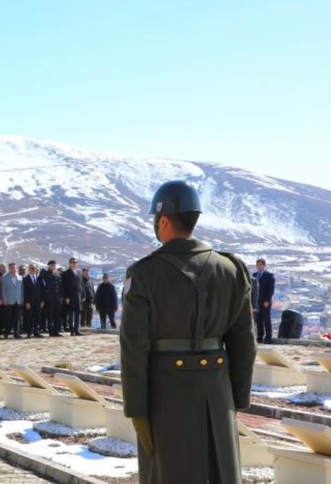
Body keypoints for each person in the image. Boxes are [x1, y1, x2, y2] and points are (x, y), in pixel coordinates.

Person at [120, 180, 256, 484]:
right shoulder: (231, 269)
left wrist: (137, 410)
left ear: (163, 221)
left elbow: (133, 349)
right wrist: (233, 401)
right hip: (218, 392)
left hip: (165, 395)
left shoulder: (143, 273)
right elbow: (245, 343)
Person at [253, 259, 275, 344]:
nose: (258, 266)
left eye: (260, 265)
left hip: (265, 302)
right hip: (256, 302)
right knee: (258, 320)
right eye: (257, 265)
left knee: (266, 320)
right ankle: (260, 337)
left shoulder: (269, 276)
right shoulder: (254, 275)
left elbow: (271, 290)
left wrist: (267, 300)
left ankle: (268, 337)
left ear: (264, 265)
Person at [61, 257, 83, 336]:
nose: (75, 264)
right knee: (71, 314)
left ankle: (77, 330)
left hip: (78, 296)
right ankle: (72, 331)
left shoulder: (79, 272)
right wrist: (66, 297)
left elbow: (81, 284)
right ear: (70, 263)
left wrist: (83, 295)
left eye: (76, 262)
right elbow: (63, 286)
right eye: (73, 262)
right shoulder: (65, 273)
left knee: (77, 314)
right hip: (70, 297)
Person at [0, 262, 23, 339]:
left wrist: (22, 299)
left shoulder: (20, 277)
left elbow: (21, 290)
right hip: (8, 301)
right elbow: (3, 290)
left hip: (18, 301)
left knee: (17, 318)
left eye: (15, 268)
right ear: (9, 268)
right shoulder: (4, 277)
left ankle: (16, 333)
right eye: (12, 268)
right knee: (7, 318)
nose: (14, 269)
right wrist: (4, 299)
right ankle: (6, 333)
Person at [39, 261, 62, 336]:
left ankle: (56, 331)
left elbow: (59, 286)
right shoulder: (45, 274)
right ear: (49, 266)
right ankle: (51, 331)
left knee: (57, 315)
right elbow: (41, 286)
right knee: (50, 316)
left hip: (57, 298)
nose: (53, 267)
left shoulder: (56, 274)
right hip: (49, 298)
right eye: (52, 265)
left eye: (54, 265)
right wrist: (43, 298)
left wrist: (61, 296)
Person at [23, 264, 43, 338]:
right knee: (29, 317)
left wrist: (42, 300)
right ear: (29, 269)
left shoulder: (39, 279)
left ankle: (36, 332)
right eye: (32, 268)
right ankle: (29, 332)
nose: (33, 269)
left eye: (35, 268)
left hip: (38, 301)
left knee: (37, 317)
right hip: (30, 302)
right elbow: (25, 291)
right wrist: (27, 302)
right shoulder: (26, 279)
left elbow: (42, 291)